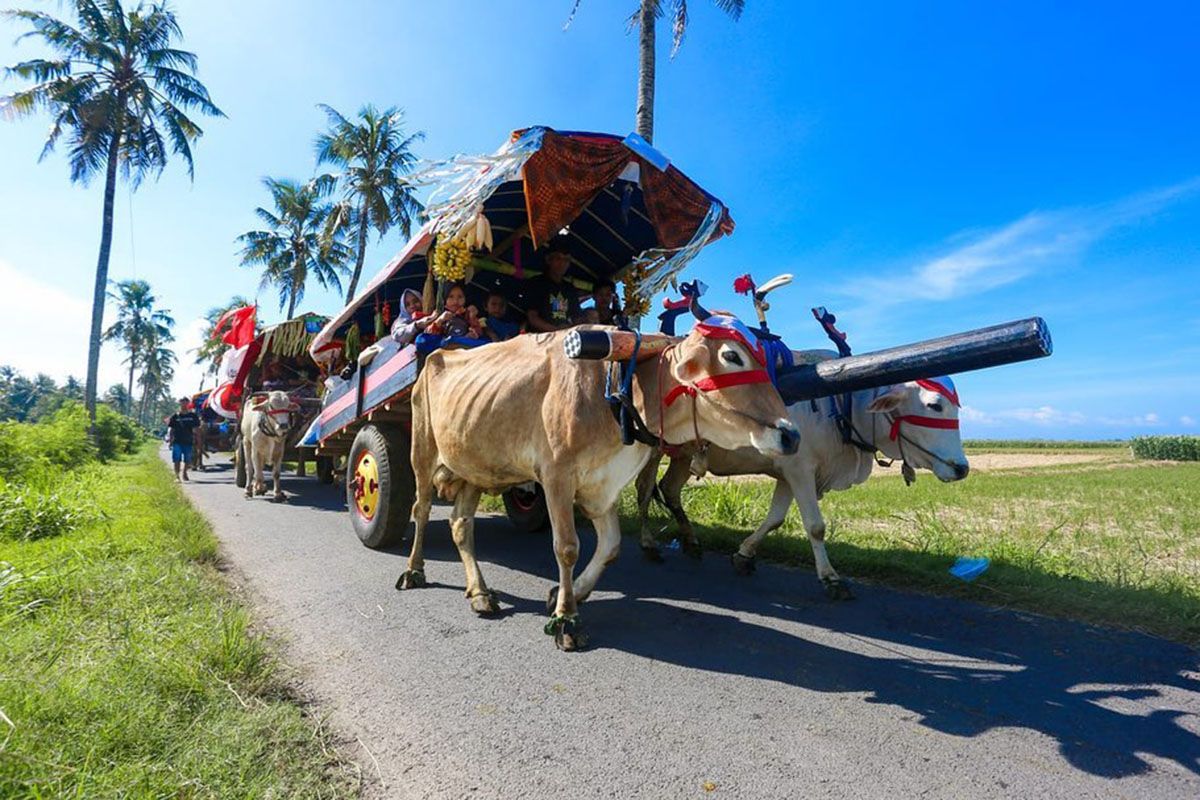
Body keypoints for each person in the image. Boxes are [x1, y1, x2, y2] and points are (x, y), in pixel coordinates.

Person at [525, 237, 581, 332]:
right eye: (558, 258)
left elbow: (576, 318)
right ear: (548, 260)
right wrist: (556, 331)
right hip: (539, 339)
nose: (562, 263)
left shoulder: (570, 289)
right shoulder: (536, 283)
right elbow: (532, 318)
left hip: (563, 338)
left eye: (566, 260)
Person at [166, 397, 201, 482]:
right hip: (177, 441)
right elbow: (171, 429)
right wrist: (170, 441)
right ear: (180, 403)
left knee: (187, 459)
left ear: (188, 403)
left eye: (186, 402)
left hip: (188, 441)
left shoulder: (193, 416)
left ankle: (184, 472)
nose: (184, 404)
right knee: (176, 459)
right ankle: (177, 476)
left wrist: (198, 440)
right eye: (182, 402)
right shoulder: (175, 416)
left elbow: (196, 429)